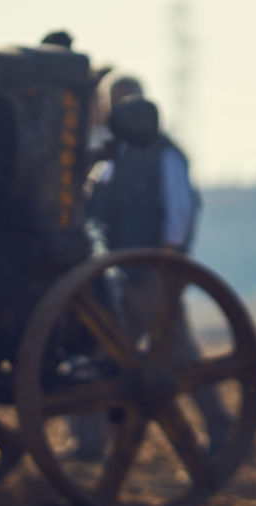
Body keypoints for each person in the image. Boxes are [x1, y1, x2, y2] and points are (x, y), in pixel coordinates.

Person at [78, 72, 231, 458]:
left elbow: (179, 212)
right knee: (106, 355)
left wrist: (164, 266)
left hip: (151, 273)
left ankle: (220, 429)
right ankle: (95, 441)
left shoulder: (165, 155)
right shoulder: (112, 159)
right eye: (116, 104)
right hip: (117, 275)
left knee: (175, 354)